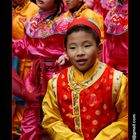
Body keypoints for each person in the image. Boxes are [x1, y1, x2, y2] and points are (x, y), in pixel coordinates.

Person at [42, 17, 128, 140]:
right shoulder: (56, 83)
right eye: (73, 48)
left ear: (99, 49)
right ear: (65, 51)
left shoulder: (117, 80)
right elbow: (51, 120)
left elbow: (127, 119)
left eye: (87, 46)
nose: (80, 52)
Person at [12, 0, 72, 139]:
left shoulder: (66, 22)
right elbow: (26, 47)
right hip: (35, 76)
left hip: (58, 76)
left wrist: (67, 55)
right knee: (30, 120)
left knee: (60, 120)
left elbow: (76, 46)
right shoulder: (32, 21)